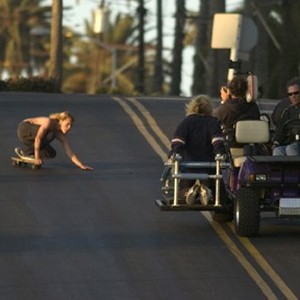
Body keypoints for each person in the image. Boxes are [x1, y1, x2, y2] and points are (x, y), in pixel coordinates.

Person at [168, 95, 226, 204]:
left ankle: (189, 192)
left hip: (189, 166)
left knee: (180, 193)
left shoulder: (186, 122)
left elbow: (177, 142)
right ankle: (206, 191)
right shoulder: (212, 122)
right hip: (209, 167)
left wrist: (174, 154)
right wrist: (220, 154)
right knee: (221, 196)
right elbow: (217, 142)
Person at [14, 111, 93, 170]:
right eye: (67, 124)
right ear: (61, 121)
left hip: (31, 138)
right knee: (51, 134)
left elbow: (69, 151)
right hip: (24, 129)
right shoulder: (49, 122)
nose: (69, 127)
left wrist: (80, 164)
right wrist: (37, 158)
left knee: (51, 153)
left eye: (71, 125)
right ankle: (26, 152)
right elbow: (38, 138)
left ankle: (24, 151)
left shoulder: (59, 134)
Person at [213, 75, 260, 146]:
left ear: (229, 90)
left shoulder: (224, 109)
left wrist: (225, 102)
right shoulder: (254, 108)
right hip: (249, 146)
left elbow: (213, 120)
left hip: (231, 145)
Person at [272, 81, 300, 156]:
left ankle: (295, 168)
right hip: (292, 143)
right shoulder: (287, 111)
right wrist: (276, 142)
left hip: (295, 145)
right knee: (277, 150)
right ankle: (280, 168)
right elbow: (280, 129)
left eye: (296, 93)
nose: (293, 96)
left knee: (290, 148)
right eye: (290, 94)